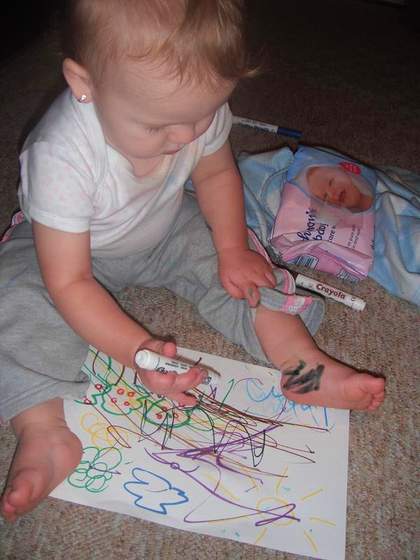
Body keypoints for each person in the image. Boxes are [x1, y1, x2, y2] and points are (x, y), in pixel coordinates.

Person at [0, 0, 385, 522]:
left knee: (250, 273)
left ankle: (304, 368)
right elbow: (71, 283)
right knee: (14, 293)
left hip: (165, 227)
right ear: (83, 83)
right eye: (157, 126)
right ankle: (44, 431)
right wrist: (138, 351)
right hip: (68, 250)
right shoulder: (58, 155)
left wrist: (231, 250)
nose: (184, 137)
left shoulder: (188, 108)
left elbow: (216, 174)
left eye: (201, 117)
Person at [305, 165, 374, 212]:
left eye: (330, 183)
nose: (331, 194)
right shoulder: (348, 222)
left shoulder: (372, 184)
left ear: (343, 170)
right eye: (325, 196)